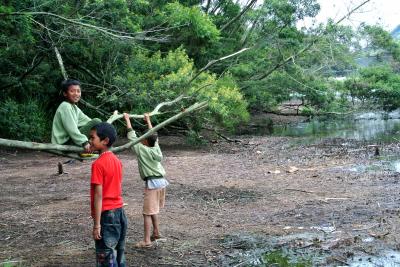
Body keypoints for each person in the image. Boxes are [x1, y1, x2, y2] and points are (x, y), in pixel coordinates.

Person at [123, 112, 168, 248]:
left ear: (144, 141)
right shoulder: (156, 147)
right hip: (162, 182)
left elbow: (132, 136)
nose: (140, 139)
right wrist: (148, 120)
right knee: (153, 209)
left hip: (153, 183)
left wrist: (127, 119)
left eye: (142, 138)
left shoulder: (141, 149)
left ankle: (147, 240)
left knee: (147, 212)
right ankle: (156, 232)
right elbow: (155, 135)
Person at [89, 122, 127, 266]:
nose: (90, 141)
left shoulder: (98, 164)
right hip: (120, 214)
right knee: (119, 256)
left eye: (93, 138)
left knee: (106, 258)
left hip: (107, 216)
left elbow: (99, 196)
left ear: (105, 141)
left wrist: (97, 225)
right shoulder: (117, 161)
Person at [51, 79, 101, 152]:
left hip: (71, 140)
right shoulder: (65, 106)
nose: (76, 94)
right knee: (97, 121)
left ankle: (96, 144)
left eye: (78, 91)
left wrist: (103, 128)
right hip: (63, 144)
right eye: (72, 91)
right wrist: (84, 142)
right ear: (65, 93)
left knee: (97, 122)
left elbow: (88, 121)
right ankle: (93, 144)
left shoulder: (74, 107)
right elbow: (72, 129)